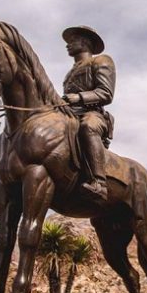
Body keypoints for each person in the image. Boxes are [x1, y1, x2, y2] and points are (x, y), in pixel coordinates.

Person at [61, 26, 116, 201]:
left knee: (88, 127)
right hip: (71, 114)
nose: (68, 44)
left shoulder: (101, 61)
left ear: (85, 42)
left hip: (93, 114)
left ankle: (99, 183)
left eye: (73, 41)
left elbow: (106, 93)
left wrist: (78, 97)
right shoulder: (70, 73)